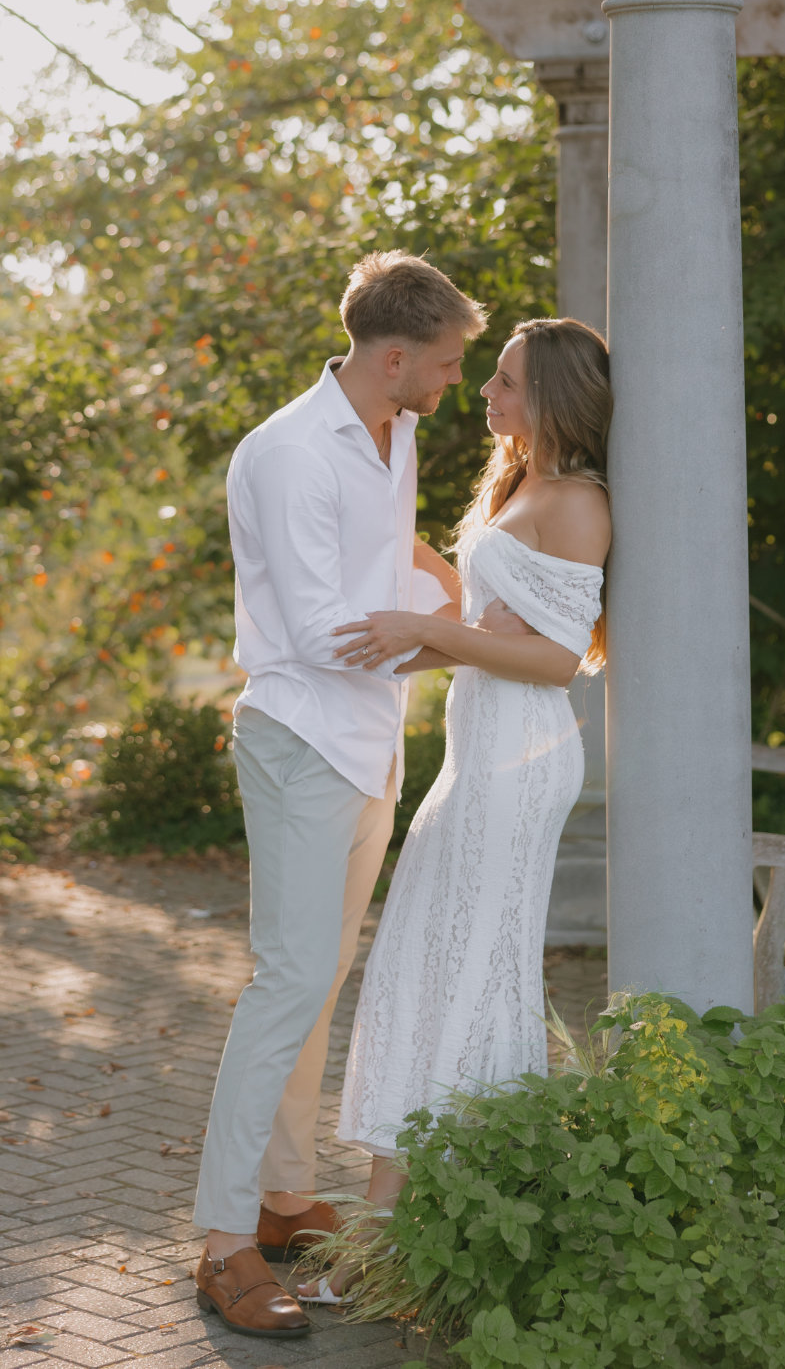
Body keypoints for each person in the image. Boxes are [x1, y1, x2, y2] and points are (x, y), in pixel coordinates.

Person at [192, 250, 487, 1339]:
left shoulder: (395, 428)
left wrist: (451, 587)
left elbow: (384, 554)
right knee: (285, 986)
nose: (456, 381)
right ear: (396, 355)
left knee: (317, 986)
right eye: (450, 363)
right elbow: (323, 630)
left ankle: (282, 1200)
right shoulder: (284, 453)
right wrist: (460, 639)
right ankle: (222, 1244)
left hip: (370, 744)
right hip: (301, 735)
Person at [299, 316, 612, 1300]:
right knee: (429, 965)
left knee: (462, 971)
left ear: (553, 396)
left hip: (519, 763)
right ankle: (412, 1229)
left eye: (507, 383)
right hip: (475, 756)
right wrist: (395, 646)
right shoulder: (519, 485)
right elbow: (485, 634)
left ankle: (393, 1239)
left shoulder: (578, 503)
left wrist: (428, 632)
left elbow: (558, 663)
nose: (485, 394)